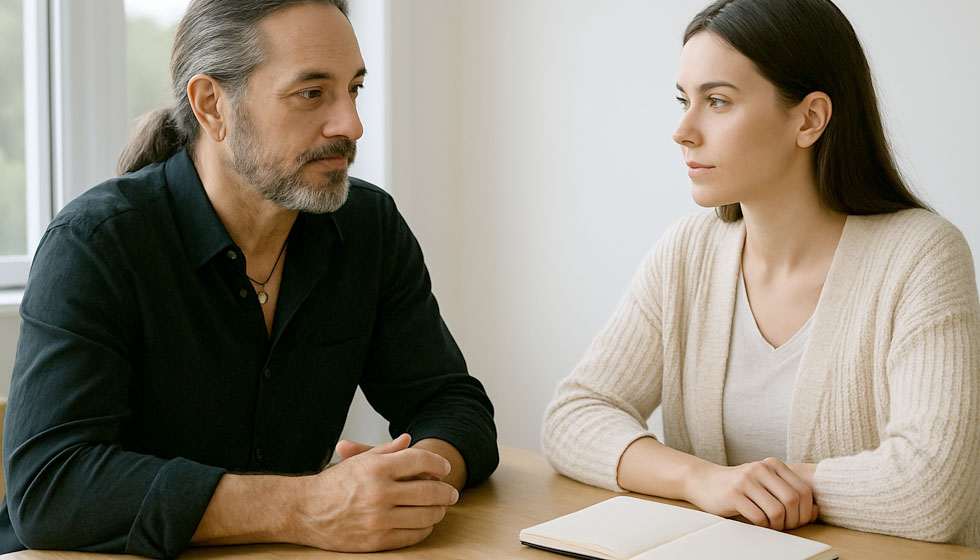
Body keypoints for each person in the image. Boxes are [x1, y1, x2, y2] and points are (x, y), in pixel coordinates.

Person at [1, 0, 498, 557]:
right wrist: (306, 505)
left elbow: (455, 406)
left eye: (353, 89)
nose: (351, 125)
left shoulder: (368, 228)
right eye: (312, 93)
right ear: (212, 105)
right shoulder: (95, 244)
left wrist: (409, 478)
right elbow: (52, 489)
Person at [543, 0, 979, 548]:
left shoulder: (920, 256)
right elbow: (573, 416)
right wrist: (704, 481)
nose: (683, 130)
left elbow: (934, 490)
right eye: (684, 101)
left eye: (718, 102)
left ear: (810, 119)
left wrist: (765, 487)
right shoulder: (688, 252)